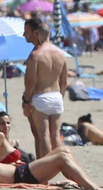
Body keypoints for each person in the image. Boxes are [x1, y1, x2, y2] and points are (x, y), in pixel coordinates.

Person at [22, 16, 69, 157]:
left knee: (43, 136)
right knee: (55, 135)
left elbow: (30, 82)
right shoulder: (61, 55)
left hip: (40, 97)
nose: (24, 35)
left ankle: (45, 170)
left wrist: (26, 100)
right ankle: (59, 164)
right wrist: (60, 96)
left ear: (37, 34)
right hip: (56, 96)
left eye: (26, 32)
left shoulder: (35, 56)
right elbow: (64, 81)